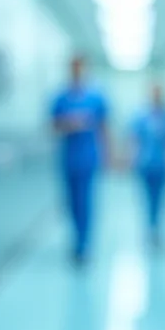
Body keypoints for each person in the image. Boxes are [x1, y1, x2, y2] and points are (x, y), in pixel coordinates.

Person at [51, 55, 109, 265]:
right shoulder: (60, 97)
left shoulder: (96, 97)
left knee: (86, 203)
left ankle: (83, 246)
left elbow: (104, 128)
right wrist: (69, 124)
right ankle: (75, 240)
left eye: (80, 68)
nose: (77, 71)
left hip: (88, 158)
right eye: (73, 68)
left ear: (85, 70)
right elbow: (52, 126)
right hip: (68, 159)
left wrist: (108, 155)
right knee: (71, 203)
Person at [130, 83, 165, 247]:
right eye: (154, 93)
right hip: (145, 164)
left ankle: (157, 228)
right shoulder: (141, 116)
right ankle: (150, 227)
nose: (156, 96)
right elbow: (134, 140)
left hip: (162, 165)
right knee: (147, 198)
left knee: (160, 199)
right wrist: (131, 160)